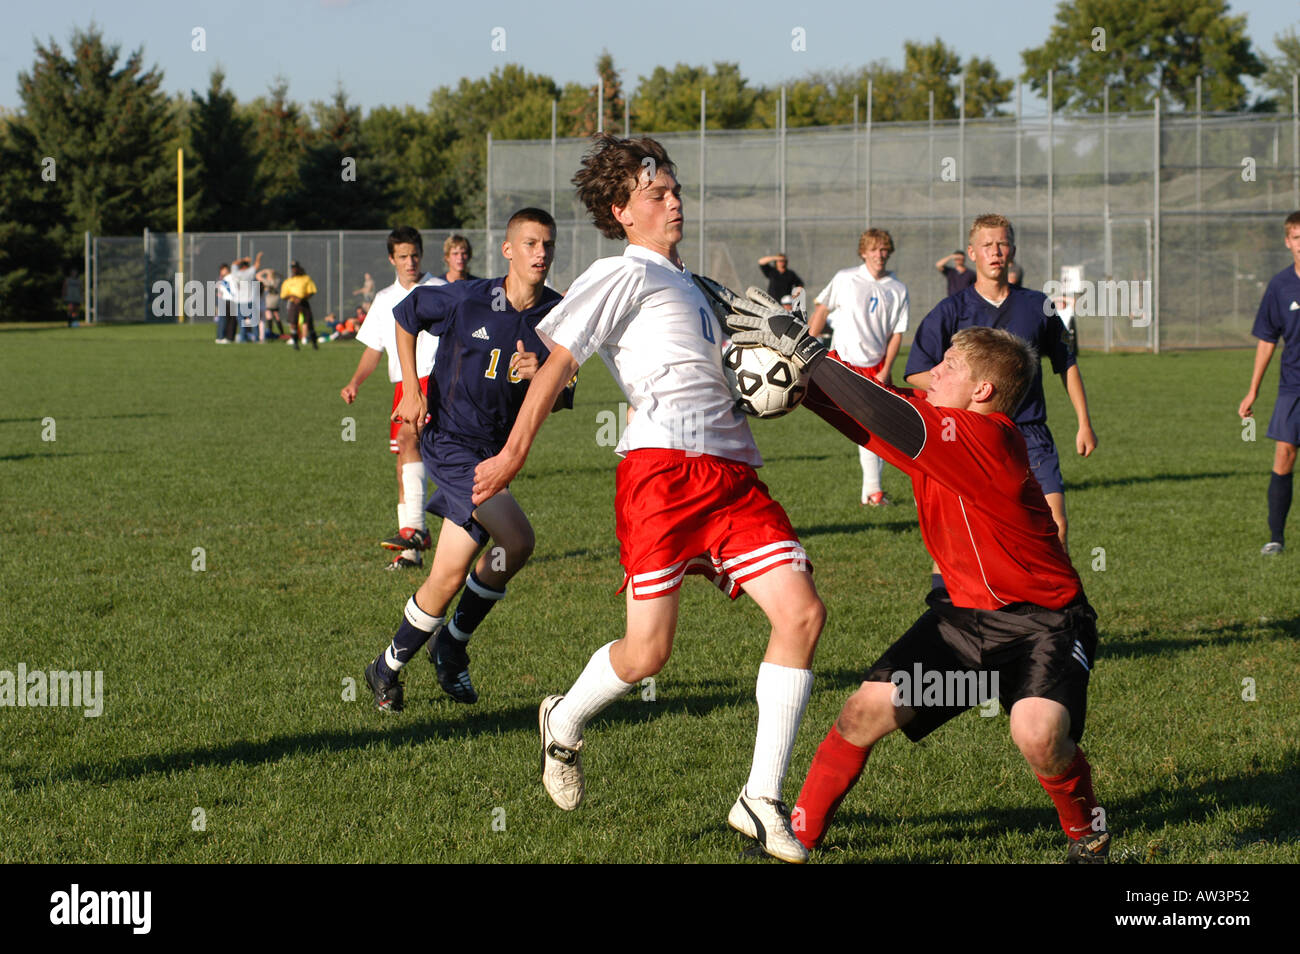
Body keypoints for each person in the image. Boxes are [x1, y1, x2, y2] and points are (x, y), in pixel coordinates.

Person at [472, 135, 826, 864]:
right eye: (656, 193)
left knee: (802, 613)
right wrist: (512, 451)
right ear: (620, 211)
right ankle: (563, 722)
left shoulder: (698, 286)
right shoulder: (619, 273)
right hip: (661, 476)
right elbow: (560, 361)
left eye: (674, 190)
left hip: (733, 475)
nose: (674, 201)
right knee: (647, 654)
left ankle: (760, 798)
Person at [768, 324, 1107, 863]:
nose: (934, 370)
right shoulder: (936, 431)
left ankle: (1088, 836)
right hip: (960, 621)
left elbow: (886, 413)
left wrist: (811, 355)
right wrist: (800, 379)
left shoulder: (989, 436)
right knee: (863, 713)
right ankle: (796, 838)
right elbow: (868, 412)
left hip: (1044, 624)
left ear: (982, 392)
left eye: (950, 365)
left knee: (1038, 733)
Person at [365, 208, 571, 709]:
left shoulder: (559, 314)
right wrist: (412, 391)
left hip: (495, 453)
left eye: (547, 244)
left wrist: (543, 373)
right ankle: (453, 645)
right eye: (529, 243)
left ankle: (386, 666)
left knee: (448, 575)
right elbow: (405, 316)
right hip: (452, 444)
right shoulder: (469, 298)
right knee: (517, 539)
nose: (540, 253)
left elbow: (565, 393)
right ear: (507, 250)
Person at [906, 213, 1097, 558]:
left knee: (1055, 525)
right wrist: (969, 391)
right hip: (973, 436)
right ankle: (960, 606)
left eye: (1002, 243)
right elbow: (917, 372)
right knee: (969, 534)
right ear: (972, 253)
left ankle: (1061, 608)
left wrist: (1084, 423)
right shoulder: (951, 310)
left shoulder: (1039, 305)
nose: (996, 251)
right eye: (987, 245)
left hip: (1030, 435)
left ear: (1012, 250)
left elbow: (1066, 363)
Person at [340, 227, 445, 572]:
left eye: (415, 255)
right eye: (403, 256)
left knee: (410, 443)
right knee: (403, 465)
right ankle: (411, 548)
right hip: (403, 386)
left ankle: (416, 530)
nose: (410, 262)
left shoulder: (441, 291)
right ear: (392, 259)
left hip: (437, 382)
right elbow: (375, 348)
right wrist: (356, 381)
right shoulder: (385, 299)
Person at [807, 228, 910, 506]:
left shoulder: (897, 288)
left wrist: (887, 368)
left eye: (884, 249)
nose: (880, 254)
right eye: (874, 249)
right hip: (845, 365)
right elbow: (822, 309)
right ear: (863, 252)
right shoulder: (845, 278)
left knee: (881, 430)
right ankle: (874, 491)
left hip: (876, 367)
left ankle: (871, 493)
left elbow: (896, 334)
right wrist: (806, 346)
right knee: (867, 425)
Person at [1237, 210, 1300, 555]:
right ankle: (1276, 538)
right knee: (1284, 455)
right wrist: (1253, 391)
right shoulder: (1280, 286)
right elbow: (1267, 340)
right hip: (1293, 386)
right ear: (1288, 242)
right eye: (1297, 238)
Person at [280, 261, 319, 350]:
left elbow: (311, 291)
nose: (294, 269)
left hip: (303, 303)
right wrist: (292, 297)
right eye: (292, 268)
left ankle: (314, 343)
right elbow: (283, 295)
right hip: (293, 303)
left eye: (295, 267)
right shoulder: (288, 281)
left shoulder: (305, 279)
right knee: (293, 323)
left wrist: (301, 298)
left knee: (309, 322)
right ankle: (295, 343)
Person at [257, 265, 285, 340]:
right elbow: (281, 277)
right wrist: (274, 272)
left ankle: (270, 332)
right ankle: (282, 333)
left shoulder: (266, 281)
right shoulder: (276, 281)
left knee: (269, 316)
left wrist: (265, 270)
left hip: (268, 300)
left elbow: (258, 275)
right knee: (277, 316)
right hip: (275, 300)